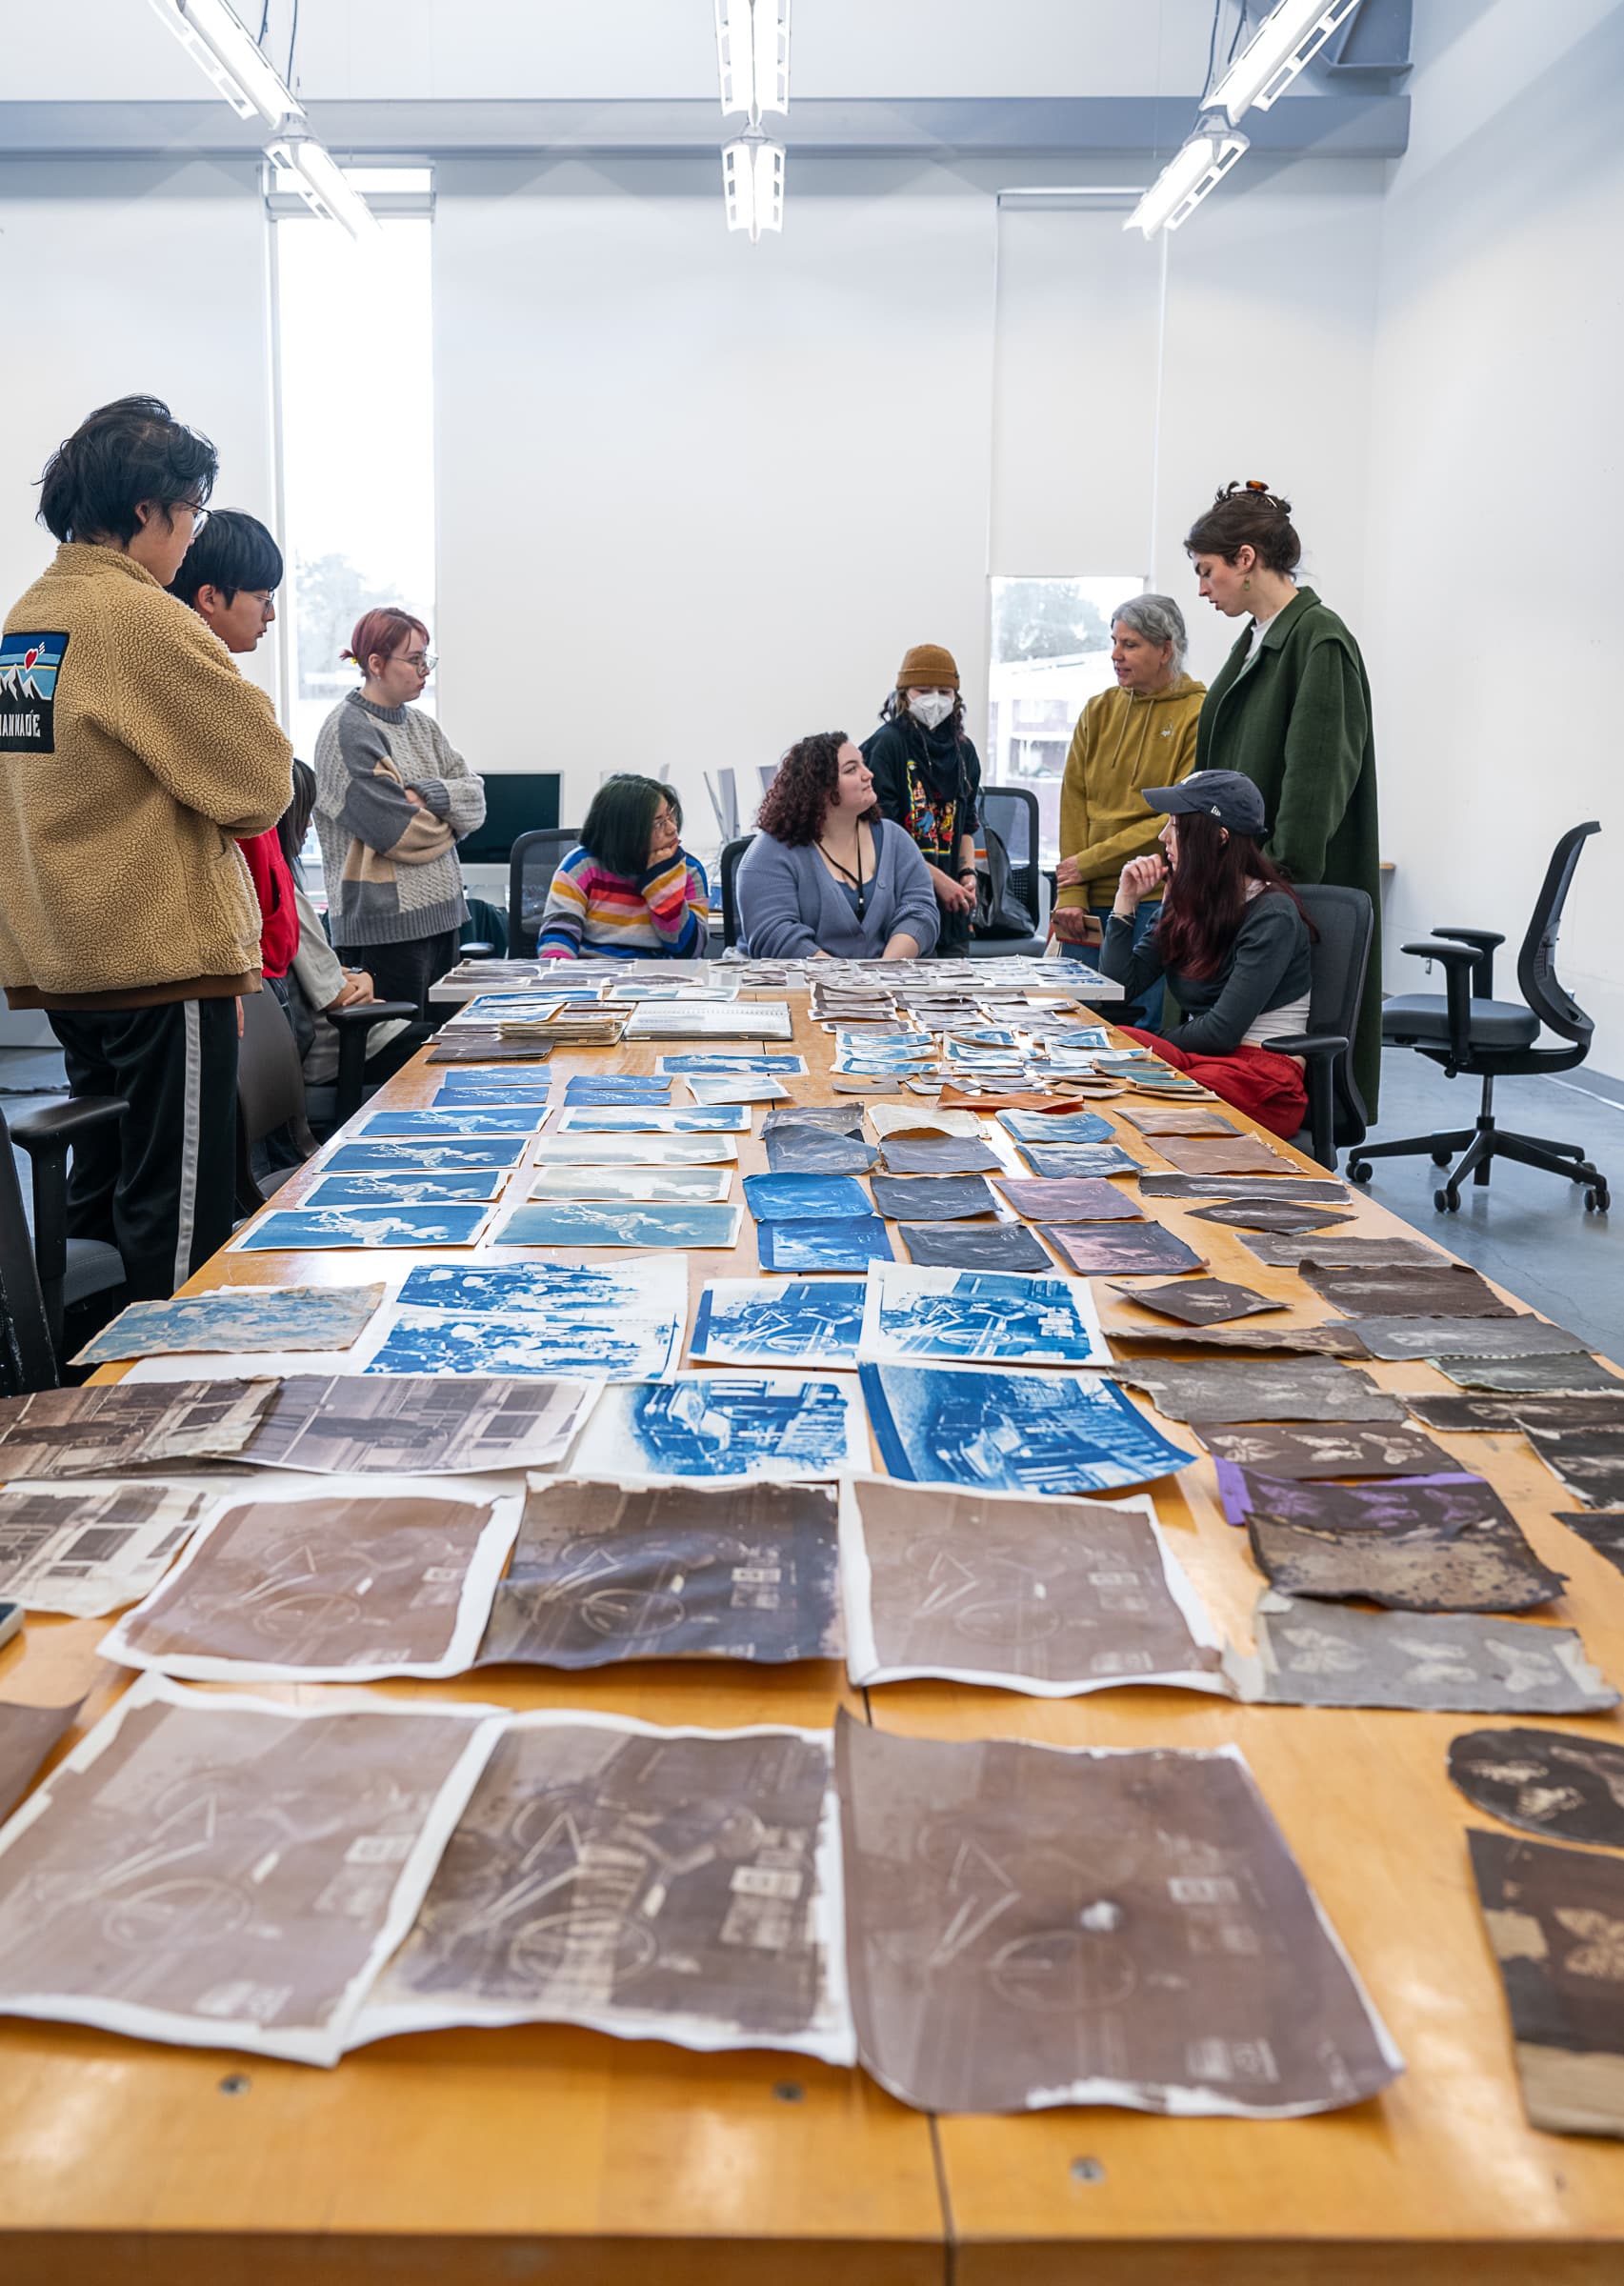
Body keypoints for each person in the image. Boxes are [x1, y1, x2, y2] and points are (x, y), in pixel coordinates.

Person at [0, 393, 291, 1299]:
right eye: (192, 513)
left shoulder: (28, 622)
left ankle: (85, 1398)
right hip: (156, 957)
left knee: (97, 1193)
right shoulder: (140, 621)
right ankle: (169, 1399)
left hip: (66, 952)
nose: (190, 533)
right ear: (149, 511)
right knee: (179, 1219)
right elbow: (260, 785)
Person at [1187, 480, 1381, 1112]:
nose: (1200, 588)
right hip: (1239, 883)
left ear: (1246, 559)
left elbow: (1314, 783)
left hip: (1272, 893)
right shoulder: (1258, 638)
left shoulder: (1316, 639)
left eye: (1206, 570)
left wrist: (1273, 883)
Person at [1100, 772, 1313, 1141]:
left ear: (1219, 837)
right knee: (1112, 1044)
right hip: (1204, 1063)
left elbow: (1221, 1032)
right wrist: (1125, 903)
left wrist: (1148, 1045)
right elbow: (1116, 990)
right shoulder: (1186, 903)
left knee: (1132, 1069)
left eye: (1177, 826)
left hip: (1261, 1078)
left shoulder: (1271, 914)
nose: (1163, 837)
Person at [313, 607, 486, 1018]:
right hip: (385, 927)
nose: (425, 669)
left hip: (443, 917)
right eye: (414, 659)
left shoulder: (423, 726)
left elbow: (476, 801)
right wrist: (452, 822)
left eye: (427, 658)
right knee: (401, 1064)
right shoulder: (348, 730)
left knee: (445, 1052)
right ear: (375, 664)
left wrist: (428, 797)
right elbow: (397, 831)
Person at [1052, 592, 1204, 1026]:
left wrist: (1088, 863)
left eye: (1130, 644)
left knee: (1139, 1029)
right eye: (1114, 642)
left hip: (1152, 897)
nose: (1115, 655)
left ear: (1165, 649)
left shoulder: (1198, 712)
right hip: (1084, 901)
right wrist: (1072, 892)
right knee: (1073, 1025)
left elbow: (1174, 818)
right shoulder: (1098, 710)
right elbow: (1073, 802)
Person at [170, 509, 298, 992]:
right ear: (209, 598)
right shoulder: (187, 686)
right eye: (262, 598)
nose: (270, 615)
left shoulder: (217, 681)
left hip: (255, 957)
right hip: (229, 962)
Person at [735, 732, 940, 961]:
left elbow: (920, 913)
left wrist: (884, 971)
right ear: (818, 787)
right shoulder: (769, 851)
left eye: (863, 764)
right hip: (795, 987)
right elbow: (774, 934)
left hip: (882, 984)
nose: (868, 774)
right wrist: (846, 981)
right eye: (852, 769)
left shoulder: (895, 839)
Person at [278, 760, 412, 1092]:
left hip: (337, 1046)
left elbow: (323, 973)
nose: (309, 823)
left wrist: (360, 975)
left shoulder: (268, 886)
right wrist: (361, 989)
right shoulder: (283, 894)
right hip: (339, 1055)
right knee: (447, 1050)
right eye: (302, 812)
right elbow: (335, 996)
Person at [861, 642, 981, 954]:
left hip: (952, 910)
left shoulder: (964, 751)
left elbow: (966, 824)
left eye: (944, 691)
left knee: (953, 999)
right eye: (924, 690)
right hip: (899, 907)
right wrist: (938, 881)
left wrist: (966, 874)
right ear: (903, 694)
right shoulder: (886, 747)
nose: (935, 700)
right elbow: (881, 835)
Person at [537, 775, 710, 960]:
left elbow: (691, 950)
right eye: (659, 822)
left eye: (671, 815)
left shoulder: (689, 870)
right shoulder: (581, 867)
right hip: (596, 976)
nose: (672, 829)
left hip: (662, 981)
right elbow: (557, 941)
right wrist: (562, 979)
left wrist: (663, 884)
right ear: (626, 831)